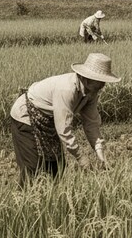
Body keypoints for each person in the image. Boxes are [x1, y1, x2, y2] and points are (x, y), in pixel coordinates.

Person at [8, 52, 119, 185]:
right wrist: (80, 157)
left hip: (48, 121)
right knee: (32, 167)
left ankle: (51, 200)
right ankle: (24, 200)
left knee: (57, 167)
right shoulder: (67, 89)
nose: (103, 85)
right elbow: (63, 128)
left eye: (104, 81)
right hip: (26, 115)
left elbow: (91, 124)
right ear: (88, 78)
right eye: (100, 81)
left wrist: (101, 156)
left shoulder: (91, 93)